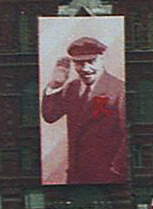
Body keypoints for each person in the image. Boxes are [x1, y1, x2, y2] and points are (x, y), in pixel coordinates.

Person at [41, 35, 129, 184]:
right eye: (79, 63)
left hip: (108, 176)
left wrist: (116, 170)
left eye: (91, 61)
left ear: (101, 58)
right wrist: (55, 85)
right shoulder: (71, 88)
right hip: (76, 175)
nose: (86, 69)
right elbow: (50, 115)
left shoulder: (119, 90)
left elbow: (128, 134)